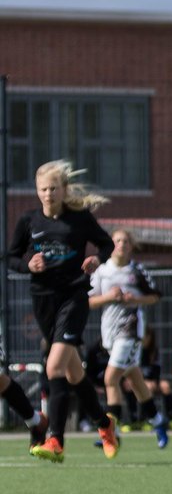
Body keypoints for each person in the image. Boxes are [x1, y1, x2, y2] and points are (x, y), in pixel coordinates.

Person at [8, 160, 120, 462]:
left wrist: (96, 260)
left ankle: (55, 440)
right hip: (43, 299)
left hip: (73, 297)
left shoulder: (79, 219)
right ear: (37, 191)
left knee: (54, 366)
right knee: (73, 374)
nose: (48, 193)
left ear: (64, 189)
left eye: (53, 188)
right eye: (43, 188)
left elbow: (106, 245)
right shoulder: (29, 220)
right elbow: (11, 257)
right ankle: (104, 423)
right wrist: (27, 265)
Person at [88, 228, 171, 448]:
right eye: (117, 241)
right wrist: (109, 297)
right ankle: (157, 420)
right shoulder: (102, 271)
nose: (121, 245)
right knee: (135, 380)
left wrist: (135, 299)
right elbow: (89, 301)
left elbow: (155, 297)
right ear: (111, 244)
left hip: (131, 330)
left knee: (111, 378)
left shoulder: (137, 270)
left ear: (131, 246)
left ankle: (110, 431)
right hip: (110, 331)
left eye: (126, 241)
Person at [138, 329, 172, 426]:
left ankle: (171, 418)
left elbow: (156, 369)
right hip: (139, 381)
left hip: (153, 380)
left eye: (148, 336)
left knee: (166, 386)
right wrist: (145, 381)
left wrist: (155, 381)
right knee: (148, 387)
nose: (146, 339)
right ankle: (145, 419)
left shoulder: (154, 351)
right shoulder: (137, 350)